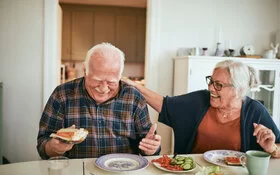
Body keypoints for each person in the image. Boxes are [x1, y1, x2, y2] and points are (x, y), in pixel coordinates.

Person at [122, 59, 280, 158]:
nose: (211, 88)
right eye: (211, 81)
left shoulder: (255, 111)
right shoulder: (199, 101)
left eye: (218, 85)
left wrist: (272, 148)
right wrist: (135, 86)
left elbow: (277, 148)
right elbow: (164, 104)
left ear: (238, 90)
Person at [37, 43, 161, 159]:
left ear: (120, 76)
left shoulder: (134, 97)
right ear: (85, 71)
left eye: (111, 82)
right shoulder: (62, 94)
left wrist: (150, 149)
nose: (103, 88)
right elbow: (43, 146)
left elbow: (149, 147)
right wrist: (53, 148)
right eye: (97, 80)